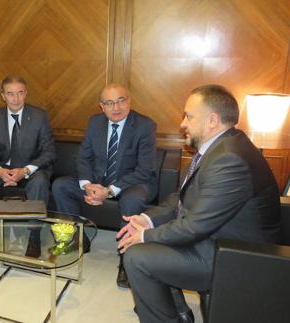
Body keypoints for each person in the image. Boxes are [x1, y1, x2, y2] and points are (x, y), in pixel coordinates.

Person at [117, 84, 281, 323]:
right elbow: (181, 197)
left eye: (189, 116)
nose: (183, 123)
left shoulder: (229, 159)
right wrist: (148, 220)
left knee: (137, 256)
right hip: (216, 240)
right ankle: (180, 314)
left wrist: (144, 236)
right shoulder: (219, 147)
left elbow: (195, 226)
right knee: (152, 242)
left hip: (235, 256)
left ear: (212, 120)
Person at [52, 83, 157, 288]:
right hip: (99, 181)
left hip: (132, 183)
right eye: (109, 103)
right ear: (102, 106)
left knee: (133, 199)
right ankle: (78, 240)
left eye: (121, 101)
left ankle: (127, 260)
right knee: (61, 185)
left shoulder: (145, 125)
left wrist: (109, 191)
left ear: (129, 101)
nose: (116, 107)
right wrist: (88, 185)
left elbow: (145, 169)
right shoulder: (95, 122)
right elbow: (83, 157)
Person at [0, 75, 56, 224]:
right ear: (3, 96)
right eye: (10, 94)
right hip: (3, 170)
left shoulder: (39, 117)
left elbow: (49, 151)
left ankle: (33, 235)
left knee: (40, 180)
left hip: (30, 172)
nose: (16, 98)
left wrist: (25, 171)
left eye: (20, 93)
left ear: (26, 93)